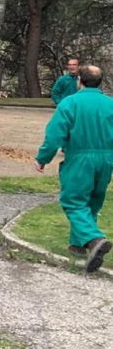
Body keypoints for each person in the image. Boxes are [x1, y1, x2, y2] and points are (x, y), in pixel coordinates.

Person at [35, 64, 113, 273]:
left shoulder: (70, 103)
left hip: (80, 157)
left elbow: (54, 135)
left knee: (73, 201)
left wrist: (43, 158)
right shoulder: (110, 104)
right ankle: (78, 245)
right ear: (100, 82)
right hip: (106, 159)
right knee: (93, 201)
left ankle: (94, 239)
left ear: (80, 81)